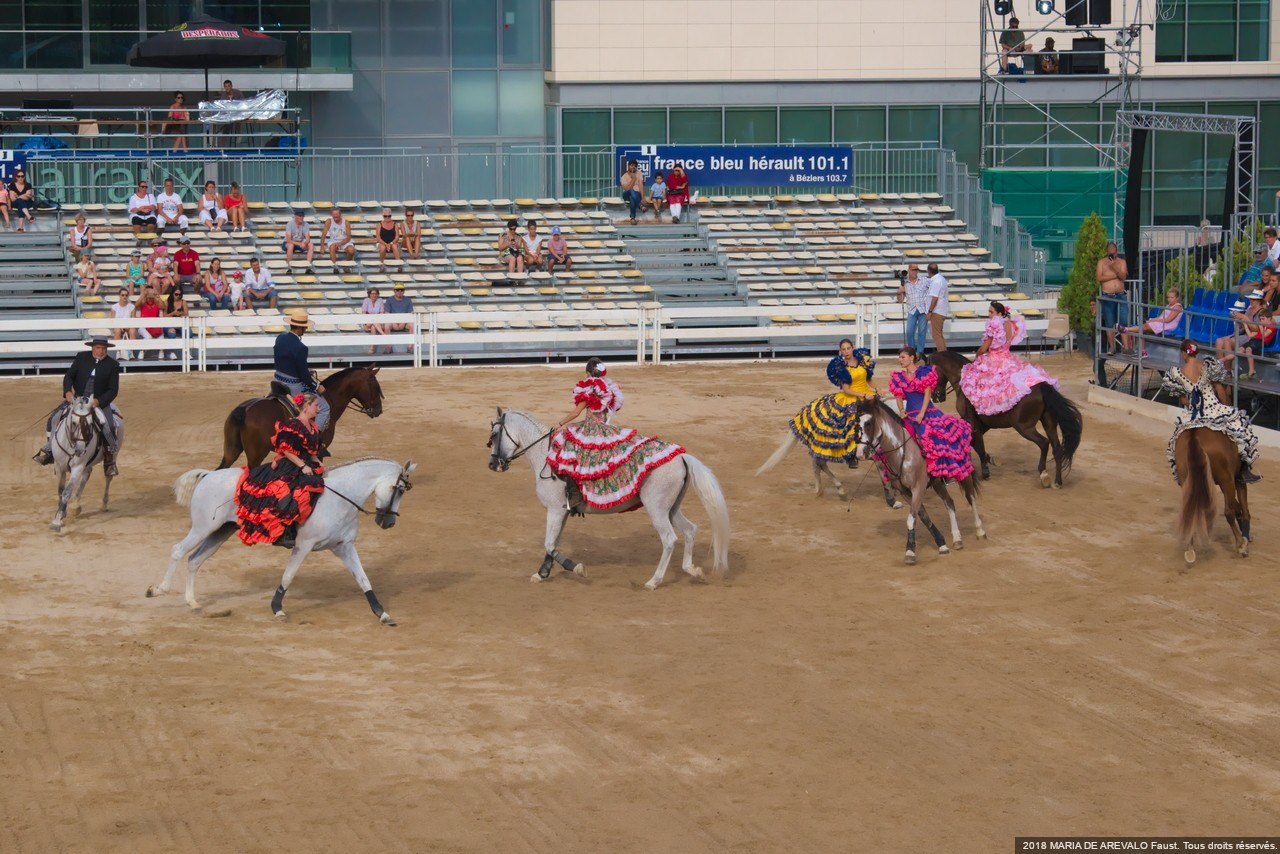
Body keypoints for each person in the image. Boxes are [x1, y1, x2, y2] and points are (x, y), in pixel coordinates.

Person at [545, 357, 685, 515]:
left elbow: (576, 412)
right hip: (605, 429)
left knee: (568, 452)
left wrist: (560, 423)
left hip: (591, 431)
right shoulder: (608, 388)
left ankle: (575, 495)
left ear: (587, 373)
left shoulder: (589, 390)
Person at [1161, 339, 1261, 484]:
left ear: (1184, 353)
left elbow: (1184, 401)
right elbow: (1220, 392)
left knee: (1175, 441)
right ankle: (1244, 469)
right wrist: (1228, 408)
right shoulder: (1208, 365)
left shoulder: (1176, 373)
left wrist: (1195, 402)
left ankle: (1180, 472)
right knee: (1241, 429)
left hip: (1193, 414)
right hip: (1213, 407)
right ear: (1196, 352)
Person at [234, 392, 326, 548]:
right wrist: (303, 466)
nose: (318, 409)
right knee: (291, 491)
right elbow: (286, 450)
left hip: (306, 465)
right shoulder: (293, 425)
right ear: (306, 406)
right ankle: (285, 532)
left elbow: (312, 453)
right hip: (291, 465)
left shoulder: (313, 427)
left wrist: (319, 464)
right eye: (316, 405)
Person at [33, 335, 123, 476]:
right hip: (78, 400)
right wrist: (68, 392)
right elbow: (69, 376)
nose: (101, 351)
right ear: (92, 348)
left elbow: (113, 390)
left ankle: (109, 460)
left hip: (98, 402)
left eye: (103, 348)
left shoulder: (113, 365)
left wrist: (98, 401)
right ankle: (50, 449)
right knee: (54, 418)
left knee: (109, 426)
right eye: (98, 348)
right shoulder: (81, 357)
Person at [789, 339, 881, 468]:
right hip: (851, 397)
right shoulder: (841, 366)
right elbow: (846, 389)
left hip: (867, 393)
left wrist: (877, 389)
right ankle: (851, 455)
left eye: (848, 348)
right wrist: (863, 395)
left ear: (853, 347)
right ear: (840, 351)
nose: (846, 351)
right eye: (843, 349)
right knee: (850, 424)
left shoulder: (862, 359)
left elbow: (868, 379)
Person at [889, 347, 975, 481]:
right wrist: (901, 410)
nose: (900, 360)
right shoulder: (898, 377)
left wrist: (922, 414)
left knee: (937, 441)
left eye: (903, 357)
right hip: (909, 415)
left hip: (927, 413)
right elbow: (898, 396)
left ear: (911, 358)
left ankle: (943, 474)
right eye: (899, 357)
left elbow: (927, 394)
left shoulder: (924, 372)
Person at [959, 301, 1060, 416]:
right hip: (1008, 358)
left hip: (994, 359)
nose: (989, 314)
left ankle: (982, 412)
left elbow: (984, 348)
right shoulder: (1010, 324)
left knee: (976, 380)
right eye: (989, 312)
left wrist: (977, 356)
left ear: (999, 313)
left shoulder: (994, 324)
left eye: (991, 312)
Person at [273, 308, 330, 432]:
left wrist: (302, 370)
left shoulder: (280, 338)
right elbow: (303, 376)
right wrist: (317, 386)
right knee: (324, 408)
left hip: (277, 380)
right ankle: (314, 438)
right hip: (292, 385)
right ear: (299, 328)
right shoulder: (301, 347)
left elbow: (285, 360)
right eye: (304, 327)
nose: (305, 329)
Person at [1118, 287, 1183, 354]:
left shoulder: (1177, 307)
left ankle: (1126, 329)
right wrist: (1153, 320)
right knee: (1142, 329)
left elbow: (1168, 320)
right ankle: (1141, 351)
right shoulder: (1168, 306)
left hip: (1169, 325)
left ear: (1177, 298)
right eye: (1168, 297)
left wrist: (1153, 320)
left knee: (1145, 326)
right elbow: (1161, 317)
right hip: (1163, 323)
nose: (1169, 299)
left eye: (1172, 297)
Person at [1097, 241, 1129, 353]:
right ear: (1107, 251)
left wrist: (1114, 267)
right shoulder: (1101, 262)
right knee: (1109, 322)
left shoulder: (1122, 262)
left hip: (1121, 295)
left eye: (1113, 250)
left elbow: (1123, 277)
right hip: (1108, 296)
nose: (1111, 252)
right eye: (1109, 250)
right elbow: (1099, 277)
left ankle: (1126, 347)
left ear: (1116, 251)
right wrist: (1115, 275)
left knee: (1124, 320)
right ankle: (1112, 347)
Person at [1217, 294, 1263, 371]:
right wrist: (1238, 319)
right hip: (1244, 333)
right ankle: (1220, 368)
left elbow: (1257, 329)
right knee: (1219, 341)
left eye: (1253, 299)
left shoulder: (1261, 312)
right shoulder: (1249, 309)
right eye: (1250, 299)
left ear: (1259, 301)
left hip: (1252, 337)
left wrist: (1245, 318)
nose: (1251, 301)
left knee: (1227, 342)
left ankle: (1228, 370)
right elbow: (1243, 326)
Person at [897, 263, 929, 353]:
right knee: (909, 332)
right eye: (913, 270)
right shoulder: (904, 283)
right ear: (909, 270)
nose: (915, 272)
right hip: (912, 310)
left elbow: (934, 288)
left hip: (923, 309)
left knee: (922, 332)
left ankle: (920, 352)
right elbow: (900, 300)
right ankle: (912, 352)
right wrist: (899, 292)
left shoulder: (924, 280)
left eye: (916, 270)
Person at [1239, 304, 1276, 380]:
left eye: (1263, 319)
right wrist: (1245, 325)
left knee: (1248, 349)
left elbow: (1264, 335)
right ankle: (1222, 360)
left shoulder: (1271, 326)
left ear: (1269, 318)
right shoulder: (1262, 327)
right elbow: (1250, 335)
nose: (1261, 321)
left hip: (1262, 341)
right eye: (1260, 319)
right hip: (1254, 340)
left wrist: (1260, 327)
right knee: (1239, 350)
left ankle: (1251, 371)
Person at [925, 261, 950, 355]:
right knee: (939, 334)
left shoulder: (936, 281)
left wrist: (930, 311)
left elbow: (935, 298)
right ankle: (944, 354)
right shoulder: (941, 279)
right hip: (941, 310)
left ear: (929, 271)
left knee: (936, 335)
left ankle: (943, 355)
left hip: (937, 311)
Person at [134, 287, 164, 359]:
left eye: (151, 294)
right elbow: (136, 305)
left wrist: (157, 295)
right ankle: (142, 351)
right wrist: (144, 294)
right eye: (149, 294)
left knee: (161, 337)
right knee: (148, 337)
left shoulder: (156, 303)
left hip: (155, 326)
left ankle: (161, 352)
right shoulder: (143, 303)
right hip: (143, 326)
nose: (150, 297)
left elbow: (163, 307)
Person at [162, 282, 188, 361]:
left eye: (180, 294)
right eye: (176, 294)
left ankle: (186, 352)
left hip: (180, 324)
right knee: (172, 333)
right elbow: (164, 316)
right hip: (168, 324)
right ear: (172, 293)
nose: (178, 296)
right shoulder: (167, 302)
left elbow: (186, 314)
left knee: (189, 333)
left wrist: (181, 313)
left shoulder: (183, 302)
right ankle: (171, 352)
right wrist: (173, 313)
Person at [384, 283, 413, 352]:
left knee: (412, 325)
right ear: (394, 291)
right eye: (397, 290)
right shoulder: (389, 300)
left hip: (404, 322)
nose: (399, 291)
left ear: (404, 291)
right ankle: (388, 347)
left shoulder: (408, 300)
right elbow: (387, 313)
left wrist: (404, 322)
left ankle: (410, 347)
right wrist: (393, 322)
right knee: (387, 326)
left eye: (401, 290)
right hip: (392, 322)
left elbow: (410, 313)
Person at [109, 288, 136, 359]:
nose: (124, 297)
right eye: (122, 295)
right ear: (119, 296)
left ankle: (131, 352)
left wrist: (128, 326)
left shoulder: (132, 306)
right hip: (117, 326)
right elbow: (113, 321)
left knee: (133, 331)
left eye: (126, 295)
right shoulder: (114, 307)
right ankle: (118, 352)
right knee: (117, 330)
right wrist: (121, 327)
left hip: (129, 326)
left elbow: (133, 320)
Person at [360, 287, 388, 354]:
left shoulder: (380, 300)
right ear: (369, 294)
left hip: (378, 323)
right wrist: (369, 322)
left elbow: (381, 313)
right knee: (372, 323)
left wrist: (375, 320)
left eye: (375, 294)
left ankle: (371, 348)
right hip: (367, 324)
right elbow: (364, 313)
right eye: (372, 294)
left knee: (373, 327)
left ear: (378, 294)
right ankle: (383, 334)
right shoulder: (366, 300)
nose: (374, 295)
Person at [8, 167, 36, 232]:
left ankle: (20, 228)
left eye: (22, 176)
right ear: (16, 177)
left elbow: (28, 197)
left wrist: (18, 196)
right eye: (18, 176)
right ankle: (29, 217)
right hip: (15, 203)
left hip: (27, 202)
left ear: (24, 177)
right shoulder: (12, 185)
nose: (20, 178)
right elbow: (12, 199)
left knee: (21, 204)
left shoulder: (28, 185)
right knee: (20, 202)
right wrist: (24, 195)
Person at [620, 159, 646, 225]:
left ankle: (632, 218)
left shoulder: (639, 173)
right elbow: (627, 189)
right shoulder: (624, 176)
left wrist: (643, 197)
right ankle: (640, 206)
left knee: (632, 198)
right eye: (632, 165)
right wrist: (634, 179)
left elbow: (641, 185)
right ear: (628, 166)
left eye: (635, 166)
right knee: (631, 191)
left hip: (637, 194)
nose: (633, 167)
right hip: (626, 195)